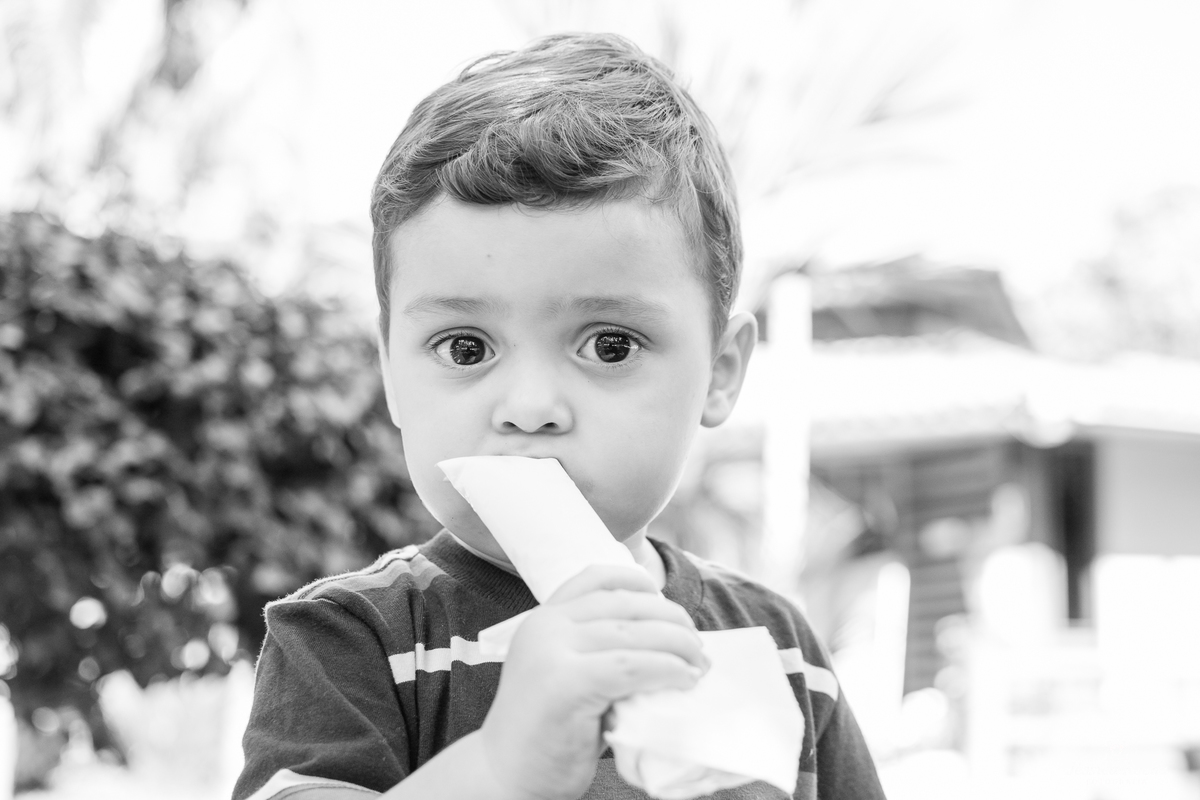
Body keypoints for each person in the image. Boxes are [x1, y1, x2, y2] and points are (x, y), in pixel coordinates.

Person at [234, 32, 885, 800]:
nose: (531, 408)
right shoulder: (350, 641)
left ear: (720, 371)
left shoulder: (778, 650)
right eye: (466, 347)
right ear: (391, 374)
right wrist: (502, 766)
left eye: (610, 345)